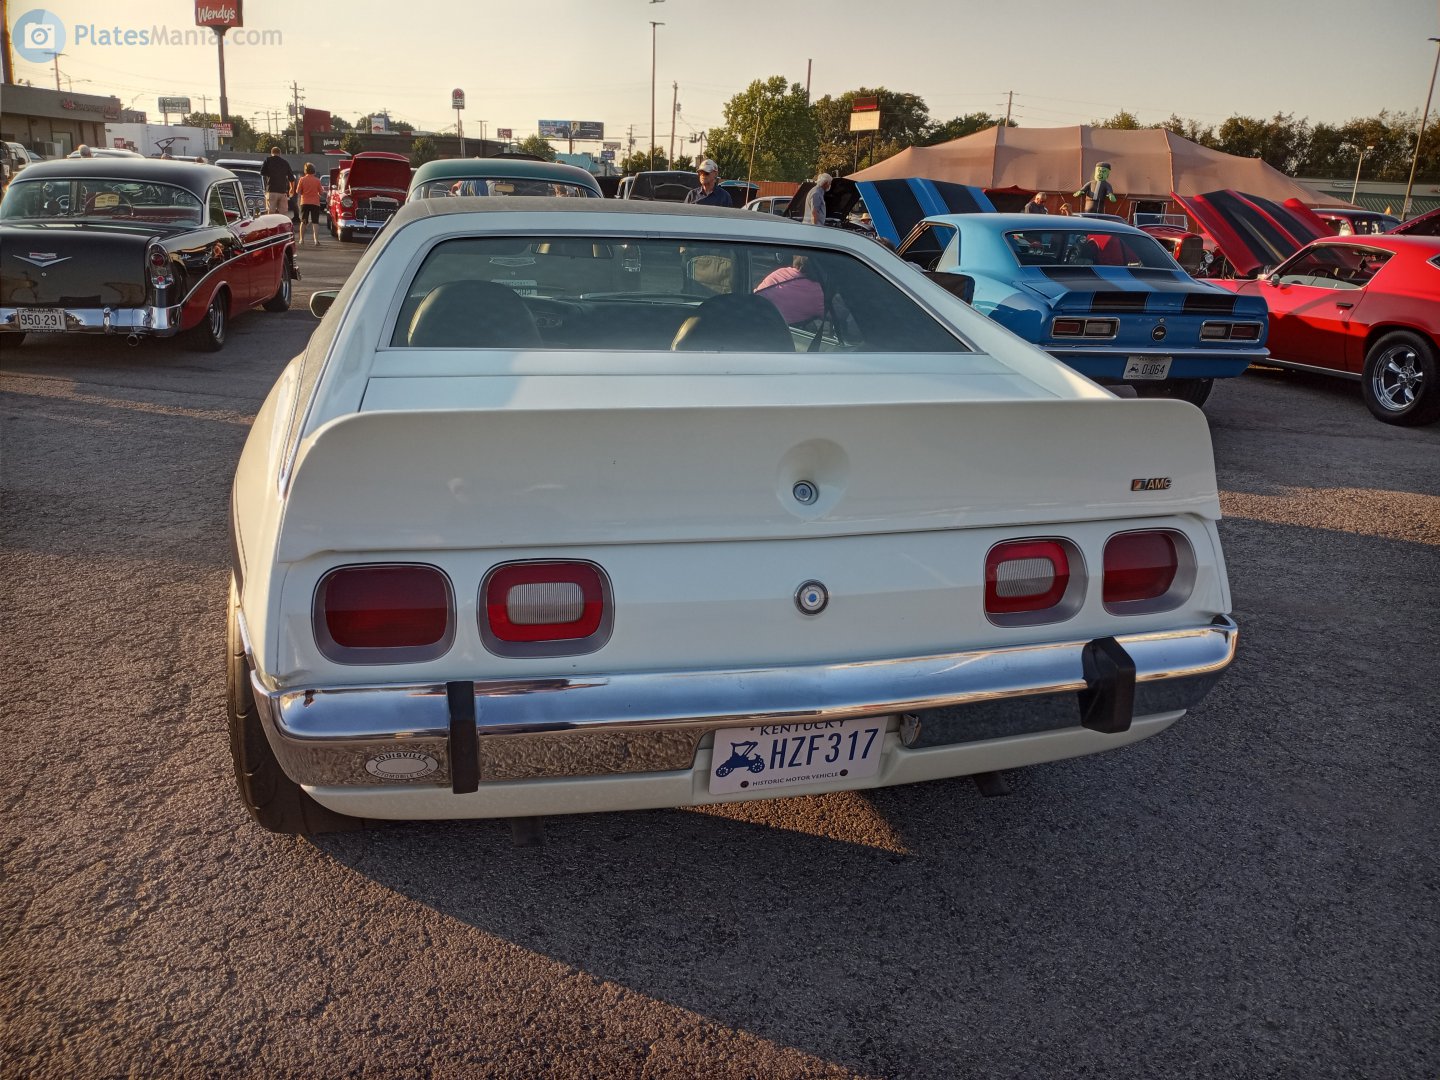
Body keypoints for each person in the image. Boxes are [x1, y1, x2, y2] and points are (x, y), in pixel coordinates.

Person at [754, 255, 825, 326]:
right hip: (786, 333)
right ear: (820, 267)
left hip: (756, 321)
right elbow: (828, 314)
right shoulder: (816, 291)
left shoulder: (779, 272)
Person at [295, 161, 324, 246]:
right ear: (314, 171)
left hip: (305, 202)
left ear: (305, 171)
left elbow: (298, 191)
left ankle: (301, 239)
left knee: (304, 221)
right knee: (315, 222)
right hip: (315, 203)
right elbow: (321, 192)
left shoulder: (302, 179)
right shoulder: (317, 180)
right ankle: (316, 240)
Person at [260, 145, 294, 217]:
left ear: (271, 153)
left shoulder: (268, 160)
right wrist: (292, 189)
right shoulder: (285, 162)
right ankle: (281, 226)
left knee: (271, 213)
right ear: (280, 153)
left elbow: (262, 172)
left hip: (271, 190)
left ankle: (271, 227)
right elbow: (291, 178)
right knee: (283, 214)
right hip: (282, 191)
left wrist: (270, 174)